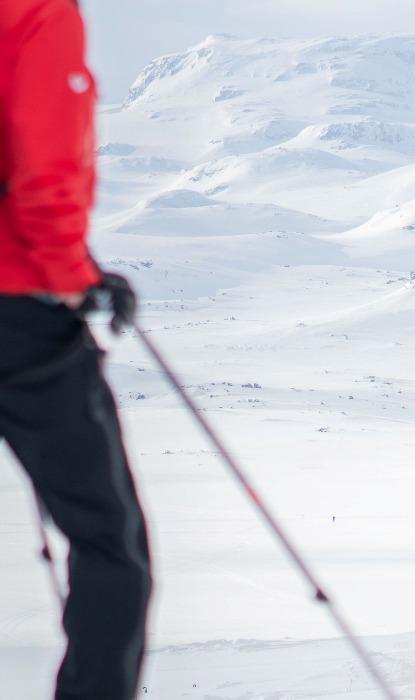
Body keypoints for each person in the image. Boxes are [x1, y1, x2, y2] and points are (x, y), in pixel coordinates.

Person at [2, 1, 153, 699]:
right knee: (109, 547)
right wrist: (71, 275)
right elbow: (43, 164)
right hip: (18, 319)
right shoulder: (36, 13)